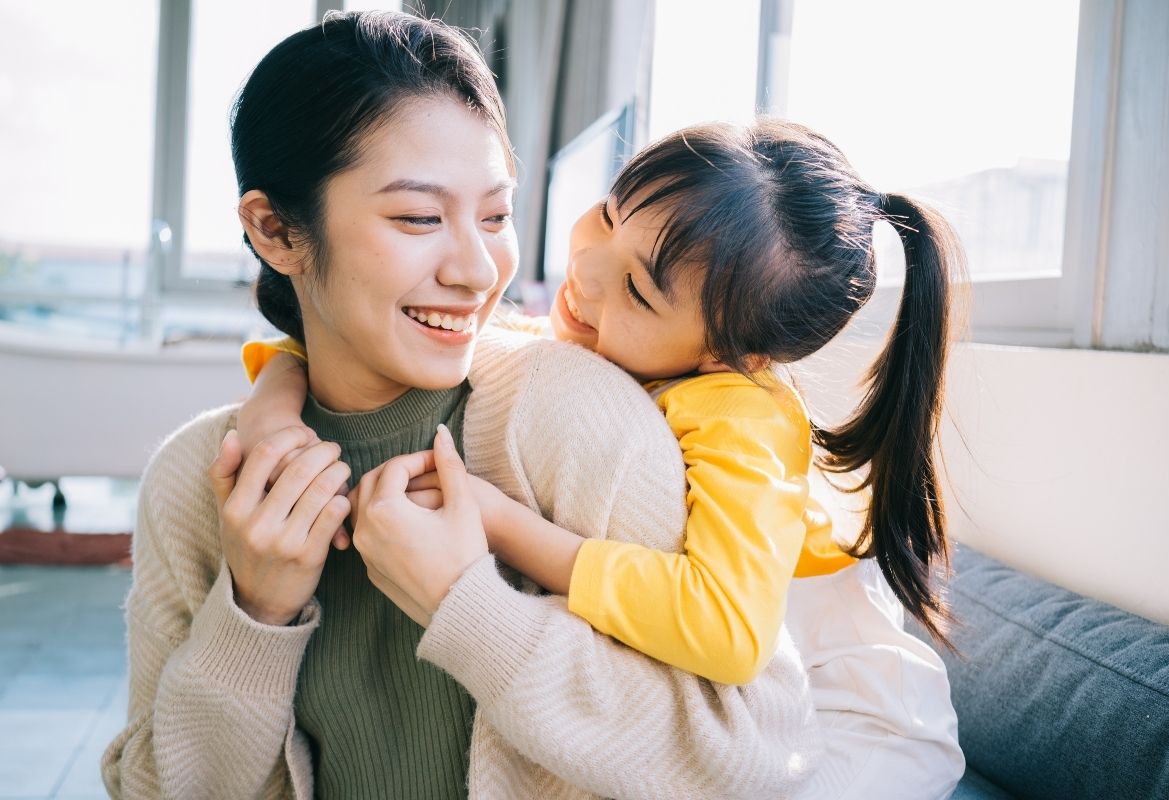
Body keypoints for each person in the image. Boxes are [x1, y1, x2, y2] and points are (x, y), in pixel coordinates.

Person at [100, 11, 824, 800]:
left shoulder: (581, 422)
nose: (479, 272)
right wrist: (253, 615)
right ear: (276, 230)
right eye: (419, 217)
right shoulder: (196, 479)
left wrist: (470, 609)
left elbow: (758, 761)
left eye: (495, 216)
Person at [240, 119, 966, 797]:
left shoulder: (744, 418)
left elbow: (725, 629)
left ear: (728, 357)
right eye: (611, 215)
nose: (586, 269)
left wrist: (502, 524)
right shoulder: (605, 340)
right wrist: (274, 395)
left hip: (856, 715)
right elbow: (416, 344)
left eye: (638, 290)